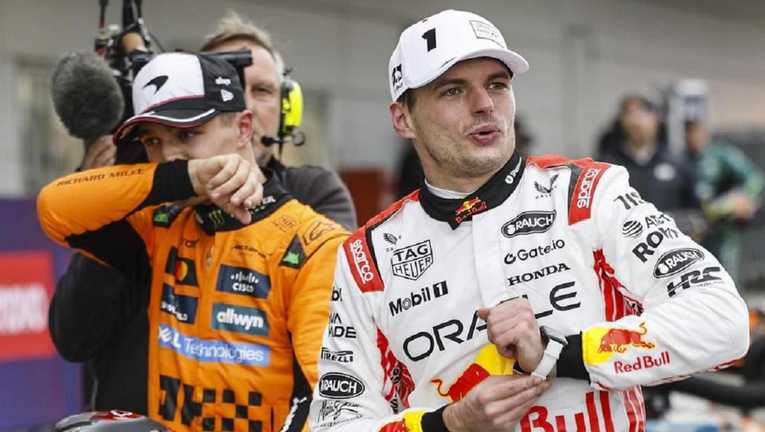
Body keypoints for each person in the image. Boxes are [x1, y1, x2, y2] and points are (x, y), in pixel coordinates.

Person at [308, 9, 749, 432]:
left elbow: (722, 321)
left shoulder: (587, 196)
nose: (484, 105)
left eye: (497, 85)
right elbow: (337, 423)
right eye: (453, 91)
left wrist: (562, 353)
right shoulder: (369, 258)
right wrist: (447, 424)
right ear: (403, 118)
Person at [48, 13, 357, 416]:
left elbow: (334, 395)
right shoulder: (158, 218)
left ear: (244, 126)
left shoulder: (313, 216)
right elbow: (54, 209)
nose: (169, 153)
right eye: (154, 140)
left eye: (188, 133)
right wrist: (176, 178)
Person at [686, 119, 764, 285]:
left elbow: (754, 179)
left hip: (721, 228)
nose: (693, 137)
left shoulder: (721, 154)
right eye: (689, 132)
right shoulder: (683, 159)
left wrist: (735, 201)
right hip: (694, 227)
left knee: (726, 276)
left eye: (696, 131)